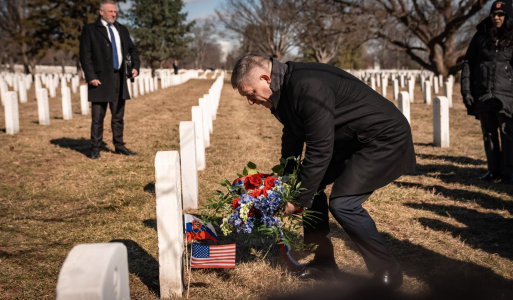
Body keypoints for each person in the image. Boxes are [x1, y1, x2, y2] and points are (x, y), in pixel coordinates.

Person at [231, 54, 416, 289]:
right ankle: (324, 262)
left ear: (265, 78)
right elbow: (292, 133)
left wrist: (297, 200)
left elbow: (320, 149)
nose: (250, 101)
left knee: (343, 204)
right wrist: (288, 180)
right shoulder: (284, 87)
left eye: (250, 94)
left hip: (383, 139)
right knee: (307, 186)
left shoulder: (308, 85)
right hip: (352, 139)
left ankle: (388, 270)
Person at [79, 0, 140, 159]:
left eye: (115, 11)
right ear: (101, 12)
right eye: (111, 11)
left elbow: (133, 50)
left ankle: (119, 146)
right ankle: (95, 148)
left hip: (119, 77)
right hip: (100, 79)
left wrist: (135, 66)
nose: (114, 14)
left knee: (118, 116)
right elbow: (85, 56)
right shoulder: (90, 30)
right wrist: (91, 76)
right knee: (98, 117)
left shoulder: (122, 29)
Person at [461, 0, 513, 184]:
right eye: (494, 14)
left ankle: (509, 172)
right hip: (484, 93)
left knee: (508, 133)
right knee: (489, 133)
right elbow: (468, 63)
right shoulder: (480, 36)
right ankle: (493, 170)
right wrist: (466, 91)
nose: (496, 18)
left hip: (507, 95)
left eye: (501, 15)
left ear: (507, 16)